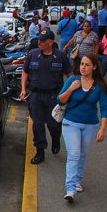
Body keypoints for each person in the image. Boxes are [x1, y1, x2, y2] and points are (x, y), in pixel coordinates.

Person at [57, 54, 107, 202]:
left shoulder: (99, 86)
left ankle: (77, 180)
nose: (83, 67)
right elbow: (59, 100)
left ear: (94, 67)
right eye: (81, 64)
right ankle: (70, 189)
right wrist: (71, 89)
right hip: (70, 123)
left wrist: (103, 128)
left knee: (82, 154)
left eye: (87, 65)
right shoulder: (73, 80)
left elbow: (104, 109)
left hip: (90, 125)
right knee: (74, 154)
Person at [20, 29, 73, 164]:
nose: (40, 43)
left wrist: (70, 91)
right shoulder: (33, 54)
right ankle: (40, 151)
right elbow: (25, 72)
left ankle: (55, 139)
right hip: (36, 96)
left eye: (43, 41)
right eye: (39, 40)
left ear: (50, 42)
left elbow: (71, 75)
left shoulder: (60, 56)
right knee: (37, 125)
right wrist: (23, 89)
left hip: (53, 97)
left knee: (53, 125)